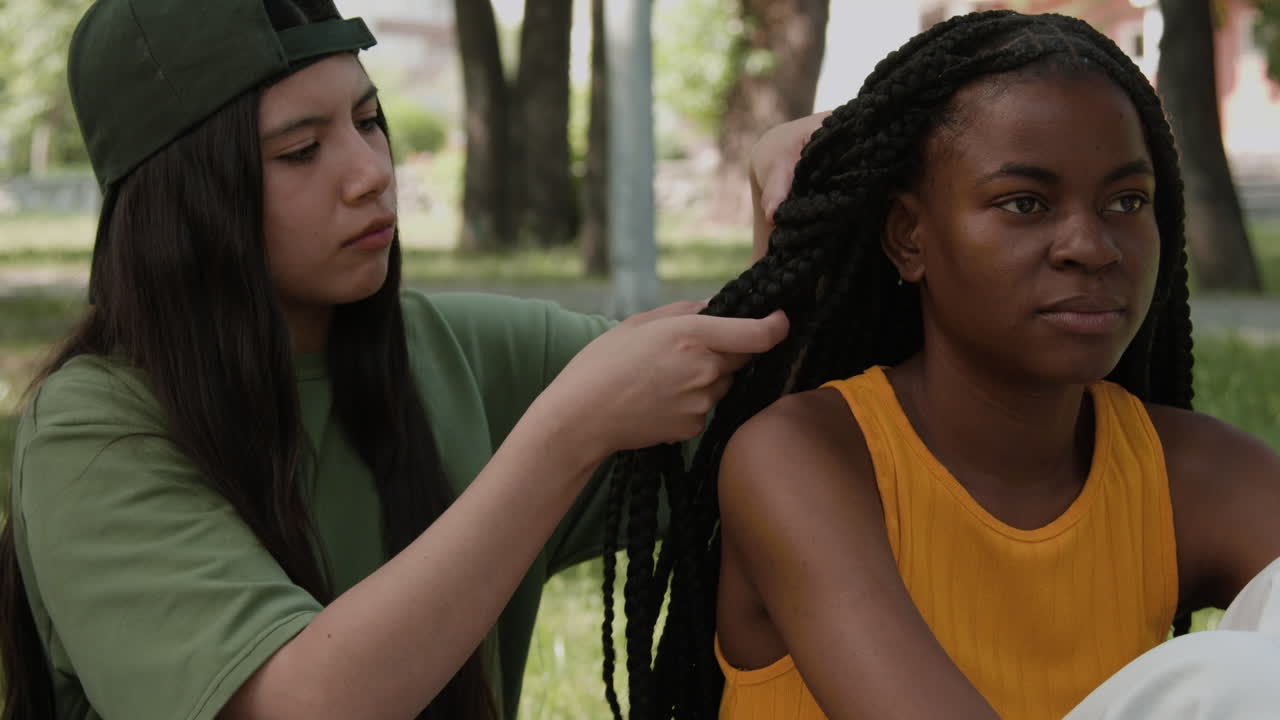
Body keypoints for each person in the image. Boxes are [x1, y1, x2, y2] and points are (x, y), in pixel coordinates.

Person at [0, 1, 803, 718]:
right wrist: (565, 435)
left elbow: (774, 410)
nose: (370, 172)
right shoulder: (93, 434)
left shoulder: (461, 351)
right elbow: (295, 705)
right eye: (301, 150)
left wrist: (792, 201)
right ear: (184, 203)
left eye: (368, 119)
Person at [603, 10, 1280, 720]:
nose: (1091, 244)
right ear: (908, 236)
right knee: (1238, 681)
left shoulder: (1187, 475)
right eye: (1025, 203)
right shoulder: (806, 459)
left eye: (1126, 201)